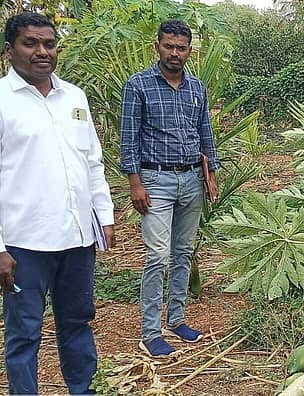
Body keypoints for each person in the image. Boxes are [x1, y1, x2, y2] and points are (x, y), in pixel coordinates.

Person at [0, 12, 116, 394]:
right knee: (24, 333)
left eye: (49, 43)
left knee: (78, 322)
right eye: (30, 43)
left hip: (77, 238)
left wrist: (104, 216)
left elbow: (92, 161)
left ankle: (83, 389)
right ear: (9, 51)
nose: (41, 51)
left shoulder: (74, 97)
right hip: (23, 244)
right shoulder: (3, 101)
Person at [120, 19, 219, 357]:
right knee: (157, 255)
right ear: (157, 46)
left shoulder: (197, 88)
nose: (174, 53)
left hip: (192, 179)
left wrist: (211, 174)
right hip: (156, 181)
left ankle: (176, 319)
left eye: (181, 48)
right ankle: (150, 331)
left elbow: (205, 132)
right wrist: (135, 182)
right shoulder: (138, 86)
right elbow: (128, 139)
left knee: (182, 253)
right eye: (169, 46)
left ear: (190, 51)